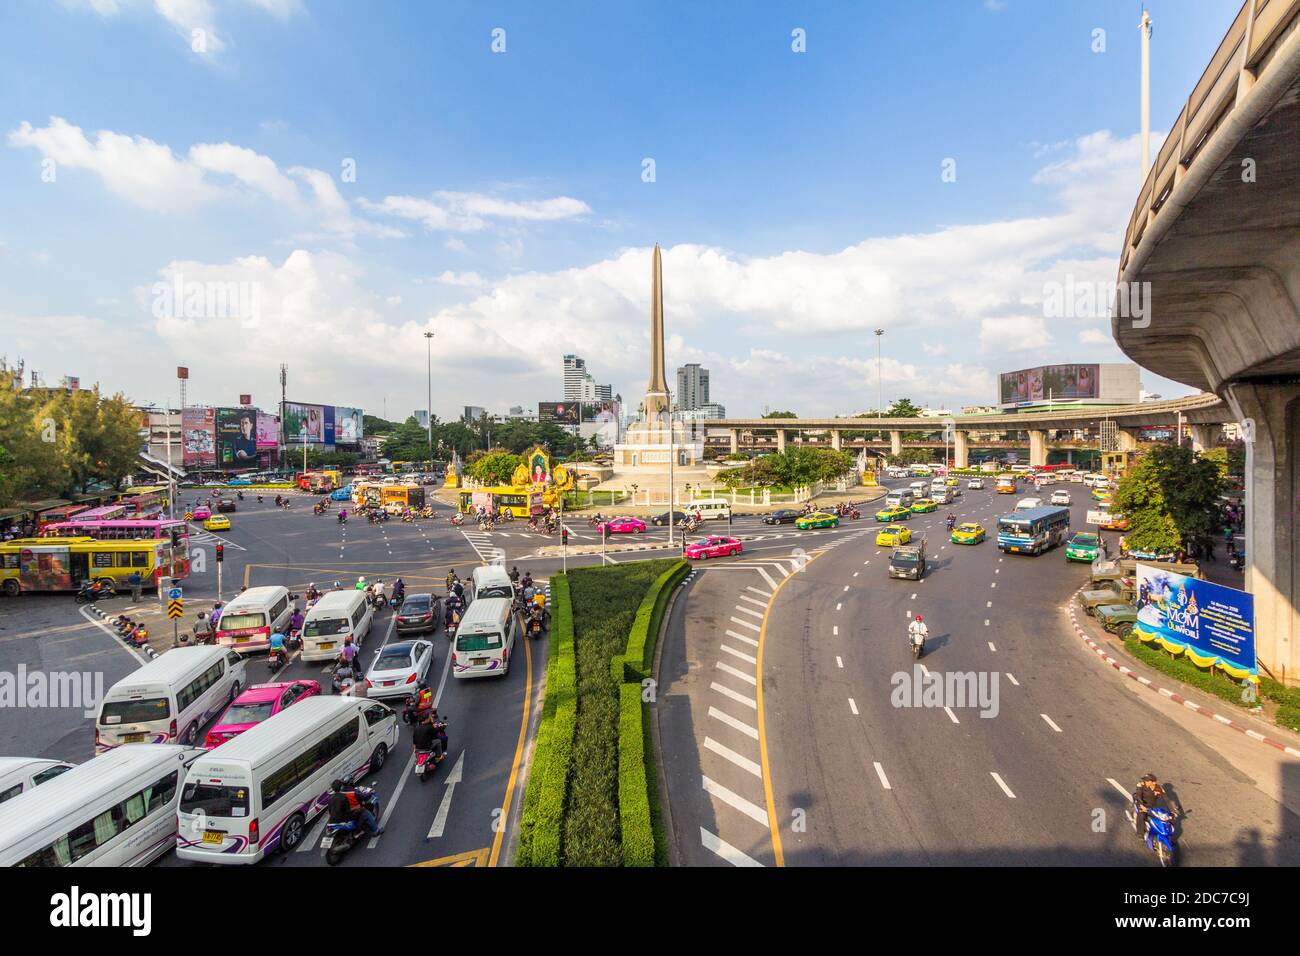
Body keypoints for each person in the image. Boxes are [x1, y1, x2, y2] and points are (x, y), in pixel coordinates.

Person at [1132, 773, 1177, 839]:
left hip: (1153, 806)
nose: (1145, 782)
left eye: (1147, 781)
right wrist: (1141, 805)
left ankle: (1168, 834)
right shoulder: (1141, 785)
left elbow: (1166, 799)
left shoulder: (1158, 788)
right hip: (1142, 804)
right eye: (1145, 780)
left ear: (1154, 782)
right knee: (1141, 815)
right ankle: (1140, 833)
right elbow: (1139, 796)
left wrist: (1173, 811)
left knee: (1167, 818)